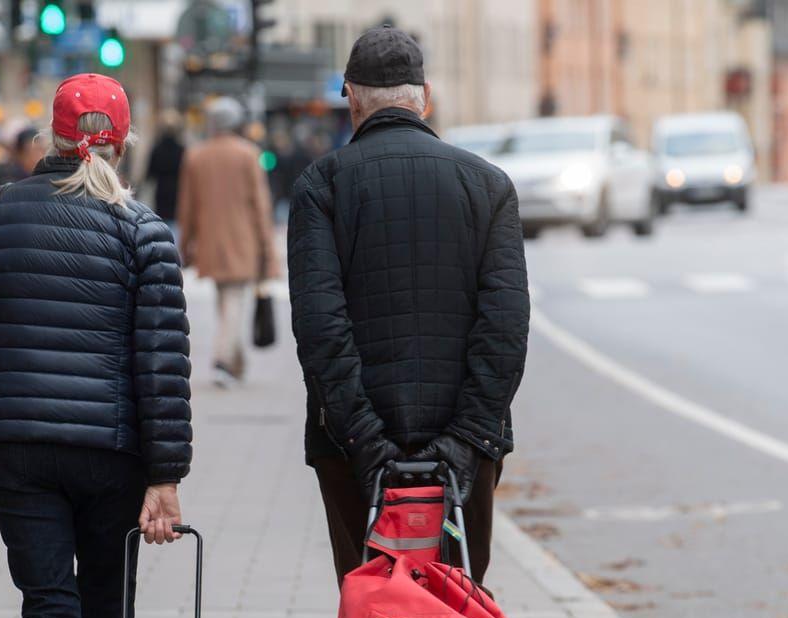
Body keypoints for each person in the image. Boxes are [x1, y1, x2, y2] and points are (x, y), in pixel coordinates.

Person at [0, 73, 192, 618]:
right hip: (112, 453)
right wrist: (165, 477)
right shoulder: (144, 231)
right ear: (123, 144)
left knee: (49, 610)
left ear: (51, 136)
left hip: (15, 447)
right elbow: (162, 364)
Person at [289, 26, 529, 588]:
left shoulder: (321, 187)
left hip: (351, 449)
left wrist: (366, 444)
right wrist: (467, 443)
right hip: (465, 447)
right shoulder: (489, 186)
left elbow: (321, 330)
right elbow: (505, 329)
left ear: (350, 96)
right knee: (456, 605)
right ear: (425, 97)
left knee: (373, 612)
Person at [176, 97, 279, 387]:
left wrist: (185, 246)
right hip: (243, 241)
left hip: (209, 241)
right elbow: (261, 206)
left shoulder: (195, 156)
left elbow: (187, 208)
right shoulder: (248, 154)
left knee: (226, 299)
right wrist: (267, 251)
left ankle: (236, 362)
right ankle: (223, 362)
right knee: (233, 300)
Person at [143, 110, 185, 226]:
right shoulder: (182, 150)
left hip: (161, 192)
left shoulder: (157, 149)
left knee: (163, 223)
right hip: (178, 192)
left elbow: (149, 174)